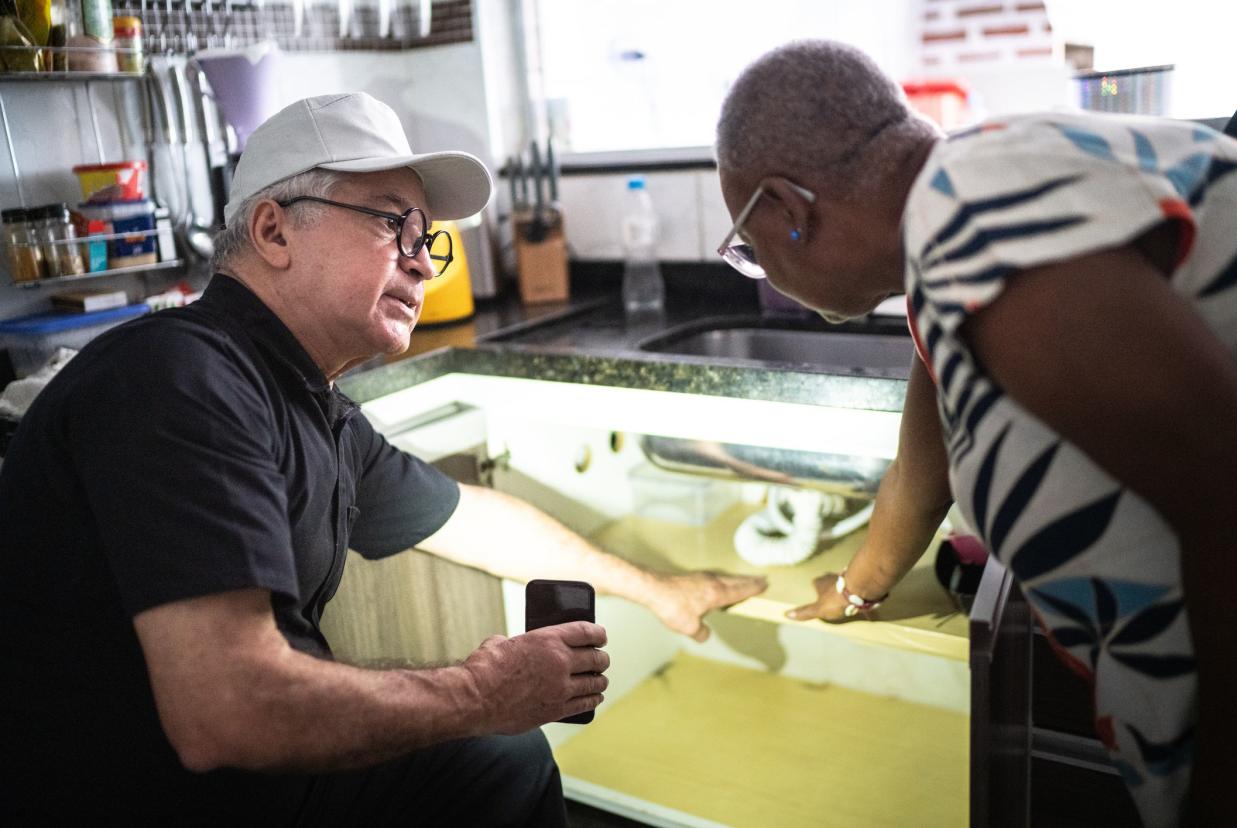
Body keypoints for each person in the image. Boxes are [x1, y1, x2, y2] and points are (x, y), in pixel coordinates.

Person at [0, 92, 766, 825]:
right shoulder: (180, 380)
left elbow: (469, 521)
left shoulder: (300, 399)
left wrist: (658, 590)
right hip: (142, 803)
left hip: (239, 792)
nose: (426, 264)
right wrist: (480, 692)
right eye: (391, 225)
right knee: (493, 748)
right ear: (273, 231)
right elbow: (228, 715)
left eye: (425, 236)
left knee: (500, 763)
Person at [713, 40, 1237, 827]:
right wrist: (853, 592)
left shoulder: (972, 223)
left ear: (790, 209)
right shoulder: (957, 225)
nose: (761, 270)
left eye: (749, 248)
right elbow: (919, 478)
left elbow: (1227, 493)